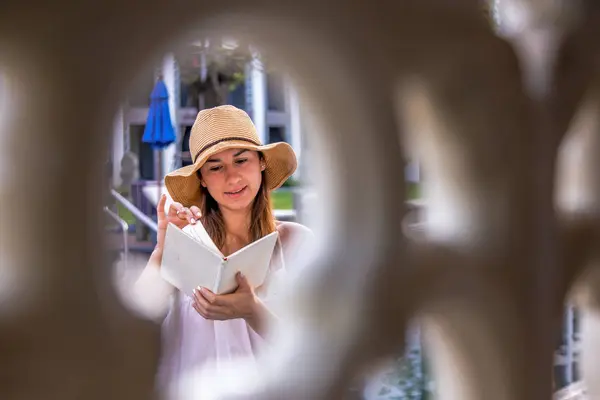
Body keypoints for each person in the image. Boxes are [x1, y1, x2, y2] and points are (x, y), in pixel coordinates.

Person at [133, 105, 313, 398]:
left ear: (262, 163)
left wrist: (253, 311)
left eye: (241, 160)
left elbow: (321, 351)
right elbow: (131, 332)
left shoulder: (296, 243)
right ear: (202, 178)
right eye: (216, 167)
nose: (232, 177)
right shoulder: (186, 246)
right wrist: (162, 248)